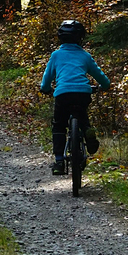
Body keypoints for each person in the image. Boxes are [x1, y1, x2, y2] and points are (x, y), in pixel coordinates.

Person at [40, 19, 110, 175]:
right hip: (82, 93)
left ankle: (59, 162)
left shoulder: (56, 55)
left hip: (62, 94)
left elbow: (47, 78)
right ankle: (87, 131)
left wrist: (45, 89)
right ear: (80, 38)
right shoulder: (85, 56)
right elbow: (100, 76)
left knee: (59, 125)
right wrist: (104, 86)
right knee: (82, 114)